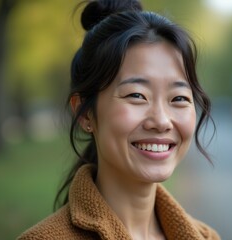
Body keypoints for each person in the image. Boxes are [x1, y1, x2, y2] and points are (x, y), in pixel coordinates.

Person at [18, 0, 220, 239]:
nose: (162, 121)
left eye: (178, 98)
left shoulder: (206, 236)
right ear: (84, 113)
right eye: (137, 95)